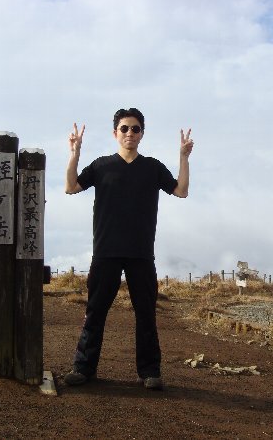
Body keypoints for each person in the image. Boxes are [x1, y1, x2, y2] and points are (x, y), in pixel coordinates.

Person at [63, 108, 194, 390]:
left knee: (146, 314)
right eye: (124, 128)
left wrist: (183, 157)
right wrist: (75, 153)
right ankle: (83, 368)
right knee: (95, 312)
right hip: (105, 251)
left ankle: (150, 372)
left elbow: (181, 191)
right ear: (115, 133)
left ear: (142, 134)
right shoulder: (101, 166)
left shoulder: (152, 167)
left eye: (135, 129)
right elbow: (71, 187)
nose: (130, 133)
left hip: (141, 253)